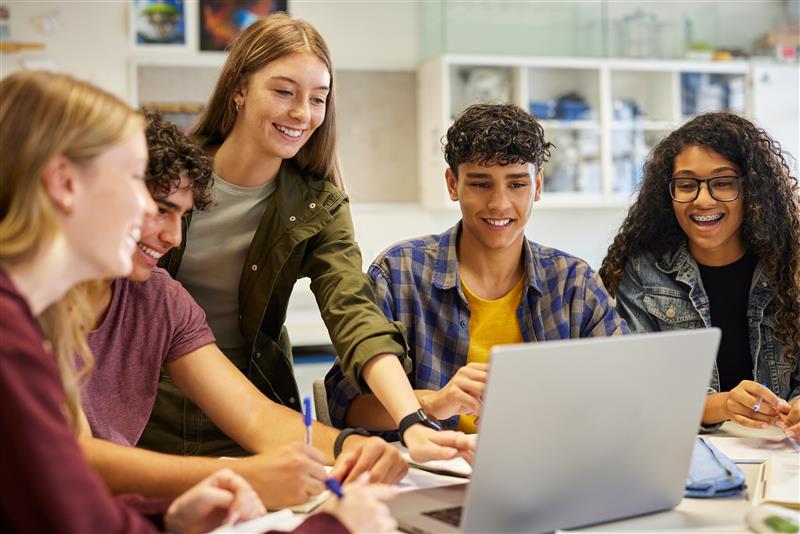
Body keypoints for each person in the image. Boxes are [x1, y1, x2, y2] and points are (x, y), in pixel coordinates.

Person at [0, 70, 398, 534]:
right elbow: (76, 478)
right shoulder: (15, 330)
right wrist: (331, 525)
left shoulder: (144, 298)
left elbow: (252, 415)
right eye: (134, 183)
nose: (167, 232)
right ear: (64, 183)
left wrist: (167, 519)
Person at [139, 13, 473, 462]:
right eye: (284, 92)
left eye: (318, 99)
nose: (302, 113)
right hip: (146, 400)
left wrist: (410, 419)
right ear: (239, 89)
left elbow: (353, 311)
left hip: (255, 408)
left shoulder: (319, 205)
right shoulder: (166, 173)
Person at [80, 111, 406, 510]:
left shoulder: (160, 299)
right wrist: (248, 476)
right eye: (161, 210)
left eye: (182, 216)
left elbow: (254, 416)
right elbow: (75, 457)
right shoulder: (35, 300)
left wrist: (350, 447)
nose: (173, 237)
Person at [325, 103, 627, 434]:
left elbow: (625, 390)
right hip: (433, 463)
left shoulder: (574, 284)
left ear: (538, 186)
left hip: (547, 460)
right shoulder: (399, 274)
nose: (499, 203)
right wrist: (434, 403)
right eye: (481, 184)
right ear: (452, 184)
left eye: (517, 184)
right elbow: (344, 405)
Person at [598, 112, 800, 436]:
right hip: (689, 450)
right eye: (686, 185)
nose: (702, 200)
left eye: (723, 183)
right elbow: (639, 390)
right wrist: (723, 404)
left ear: (753, 190)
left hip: (781, 451)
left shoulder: (792, 264)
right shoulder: (642, 271)